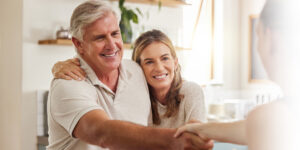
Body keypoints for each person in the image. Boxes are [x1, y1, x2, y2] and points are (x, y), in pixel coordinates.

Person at [47, 0, 213, 150]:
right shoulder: (68, 84)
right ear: (78, 44)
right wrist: (173, 140)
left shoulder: (135, 71)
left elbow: (165, 81)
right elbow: (100, 132)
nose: (111, 45)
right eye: (100, 38)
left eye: (115, 33)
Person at [174, 0, 300, 150]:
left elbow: (262, 124)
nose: (258, 48)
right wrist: (203, 129)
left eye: (258, 36)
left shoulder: (268, 118)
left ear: (272, 37)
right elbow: (248, 128)